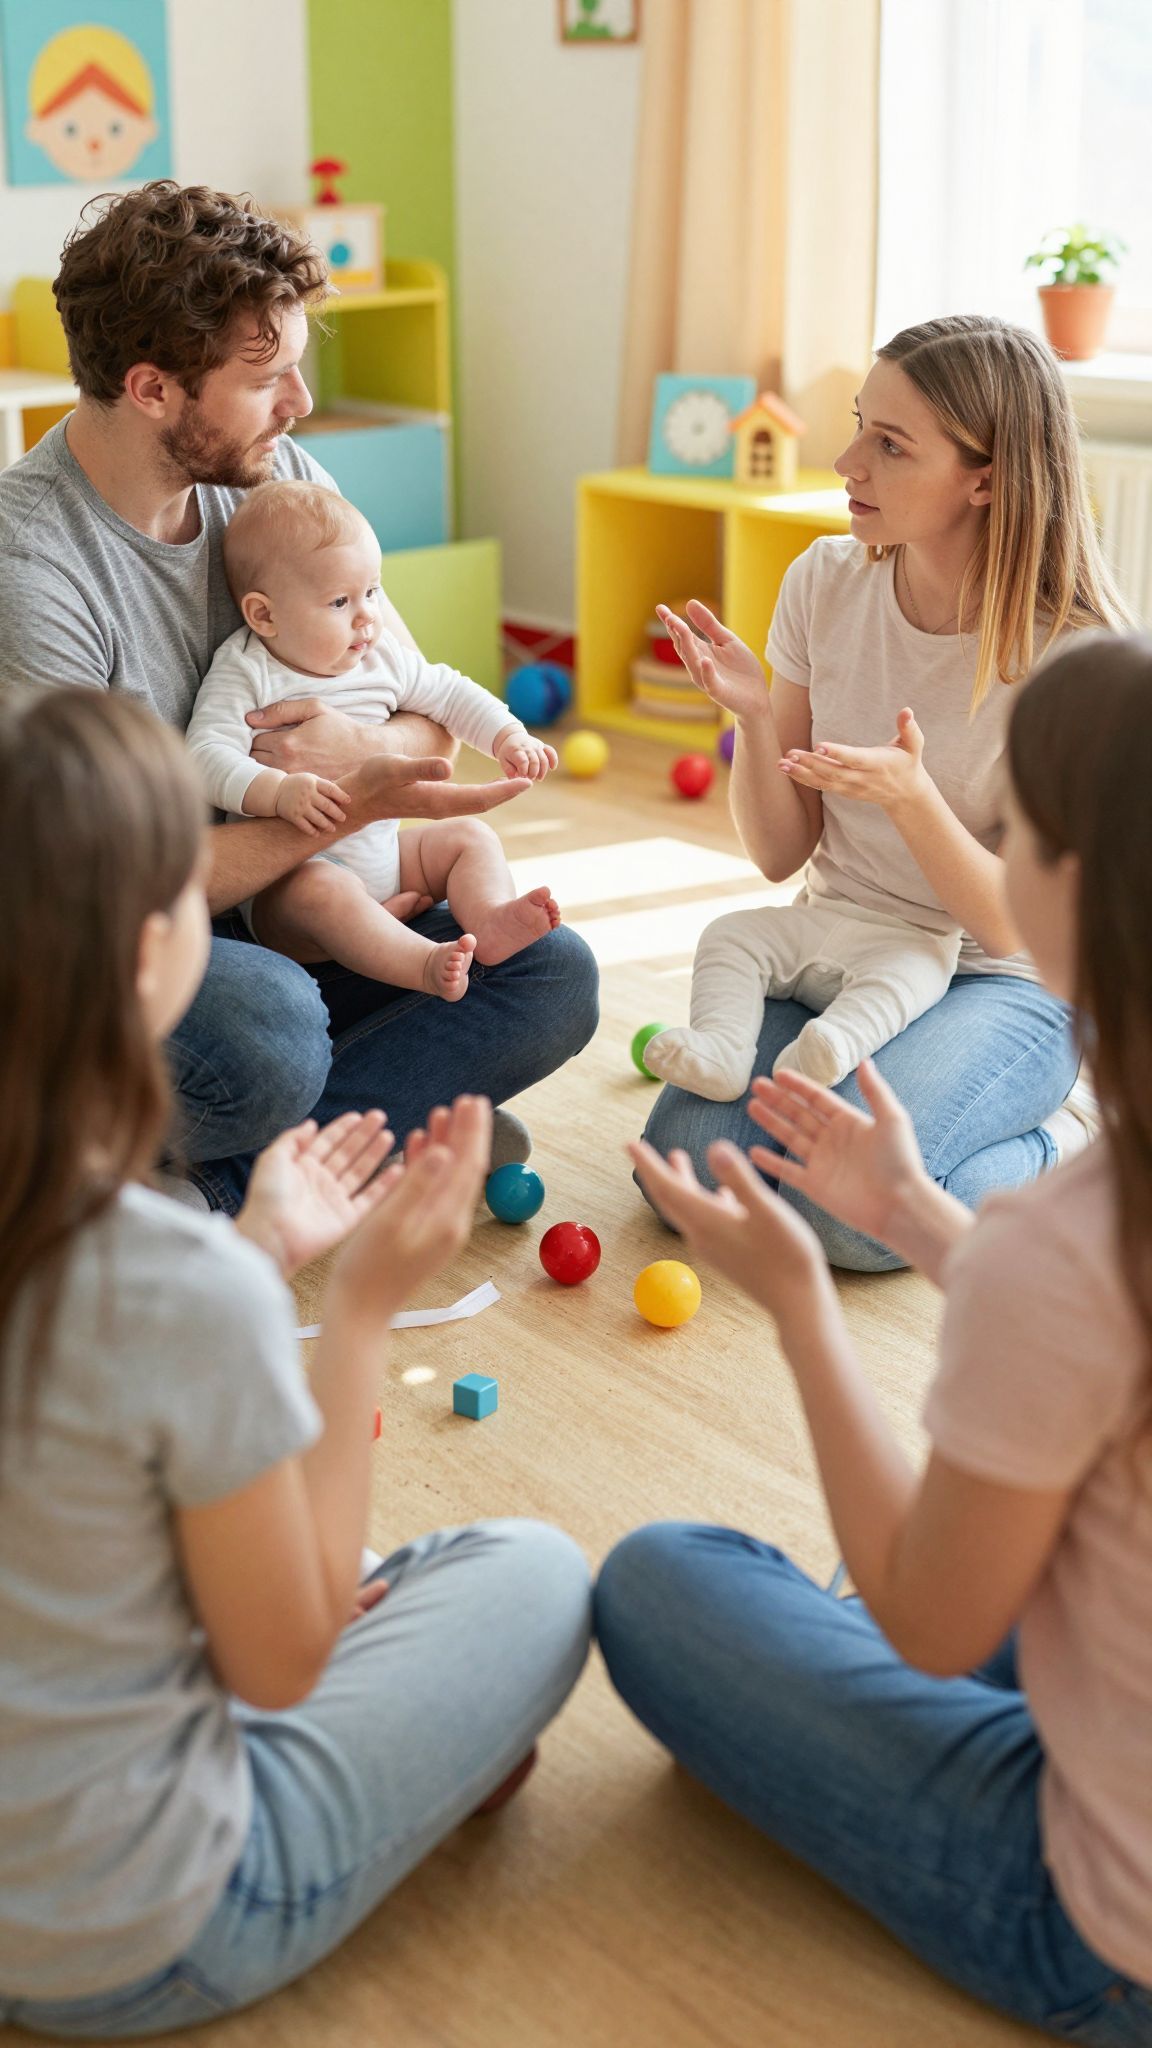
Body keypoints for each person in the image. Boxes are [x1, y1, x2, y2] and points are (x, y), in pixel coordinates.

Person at [0, 689, 591, 2036]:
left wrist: (257, 1253)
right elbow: (284, 1666)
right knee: (528, 1574)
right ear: (163, 952)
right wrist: (361, 1311)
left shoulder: (157, 1267)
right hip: (135, 1929)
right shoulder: (168, 1278)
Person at [599, 634, 1152, 2042]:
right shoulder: (1083, 1234)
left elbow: (930, 1620)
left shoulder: (1077, 1238)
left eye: (1015, 828)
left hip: (1101, 1934)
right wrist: (914, 1215)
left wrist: (798, 1308)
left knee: (666, 1580)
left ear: (1069, 883)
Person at [0, 181, 598, 1212]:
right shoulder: (35, 569)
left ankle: (227, 1186)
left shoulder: (273, 476)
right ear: (150, 389)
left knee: (554, 972)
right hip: (118, 942)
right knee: (270, 1029)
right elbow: (107, 888)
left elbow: (411, 700)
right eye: (266, 374)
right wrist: (360, 792)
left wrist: (364, 766)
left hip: (295, 899)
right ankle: (378, 1119)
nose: (301, 402)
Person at [641, 315, 1128, 1268]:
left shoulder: (1071, 657)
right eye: (862, 425)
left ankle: (1065, 1138)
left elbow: (1017, 930)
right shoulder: (824, 581)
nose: (845, 460)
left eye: (890, 445)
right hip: (846, 945)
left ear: (986, 478)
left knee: (851, 1216)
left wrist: (913, 798)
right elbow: (782, 855)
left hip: (1004, 983)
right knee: (687, 1165)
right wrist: (753, 720)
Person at [187, 480, 560, 1002]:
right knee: (325, 890)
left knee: (470, 839)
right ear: (264, 614)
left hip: (386, 858)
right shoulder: (248, 670)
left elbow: (450, 694)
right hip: (291, 883)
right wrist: (275, 792)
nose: (367, 617)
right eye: (340, 601)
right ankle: (423, 964)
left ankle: (491, 922)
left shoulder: (378, 656)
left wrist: (507, 736)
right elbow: (204, 757)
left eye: (372, 591)